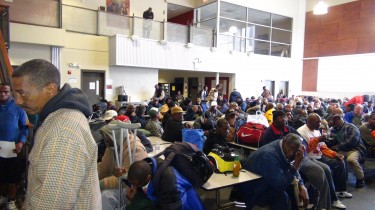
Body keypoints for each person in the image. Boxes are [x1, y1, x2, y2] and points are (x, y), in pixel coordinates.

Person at [11, 59, 101, 209]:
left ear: (50, 89)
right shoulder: (56, 118)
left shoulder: (63, 132)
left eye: (23, 93)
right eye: (16, 94)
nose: (18, 101)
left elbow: (52, 204)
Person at [238, 133, 308, 210]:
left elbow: (290, 167)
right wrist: (296, 164)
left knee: (302, 188)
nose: (291, 153)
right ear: (284, 141)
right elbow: (280, 185)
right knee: (283, 197)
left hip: (267, 180)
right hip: (253, 188)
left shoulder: (283, 145)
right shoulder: (269, 155)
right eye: (290, 148)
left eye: (295, 150)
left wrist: (302, 186)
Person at [298, 113, 349, 207]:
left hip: (319, 155)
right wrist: (317, 140)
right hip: (309, 157)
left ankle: (341, 190)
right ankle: (333, 199)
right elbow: (304, 150)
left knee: (339, 162)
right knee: (326, 169)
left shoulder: (317, 130)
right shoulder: (301, 132)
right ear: (310, 122)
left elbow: (322, 147)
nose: (319, 125)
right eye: (317, 123)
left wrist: (334, 154)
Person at [126, 158, 205, 210]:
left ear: (148, 178)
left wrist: (136, 199)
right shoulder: (149, 168)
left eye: (137, 184)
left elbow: (169, 207)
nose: (134, 187)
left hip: (186, 206)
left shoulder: (169, 182)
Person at [0, 83, 29, 210]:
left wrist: (21, 142)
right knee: (0, 176)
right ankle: (3, 196)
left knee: (13, 176)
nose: (3, 94)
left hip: (12, 149)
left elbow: (24, 128)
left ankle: (11, 200)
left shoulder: (18, 109)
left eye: (6, 92)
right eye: (0, 92)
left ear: (10, 93)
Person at [329, 113, 367, 188]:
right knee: (334, 158)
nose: (336, 121)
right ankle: (342, 177)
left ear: (341, 119)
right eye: (334, 120)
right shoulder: (334, 129)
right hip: (342, 150)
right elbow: (332, 141)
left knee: (351, 160)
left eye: (338, 119)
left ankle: (361, 178)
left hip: (355, 149)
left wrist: (336, 147)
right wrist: (326, 140)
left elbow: (352, 141)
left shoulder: (351, 127)